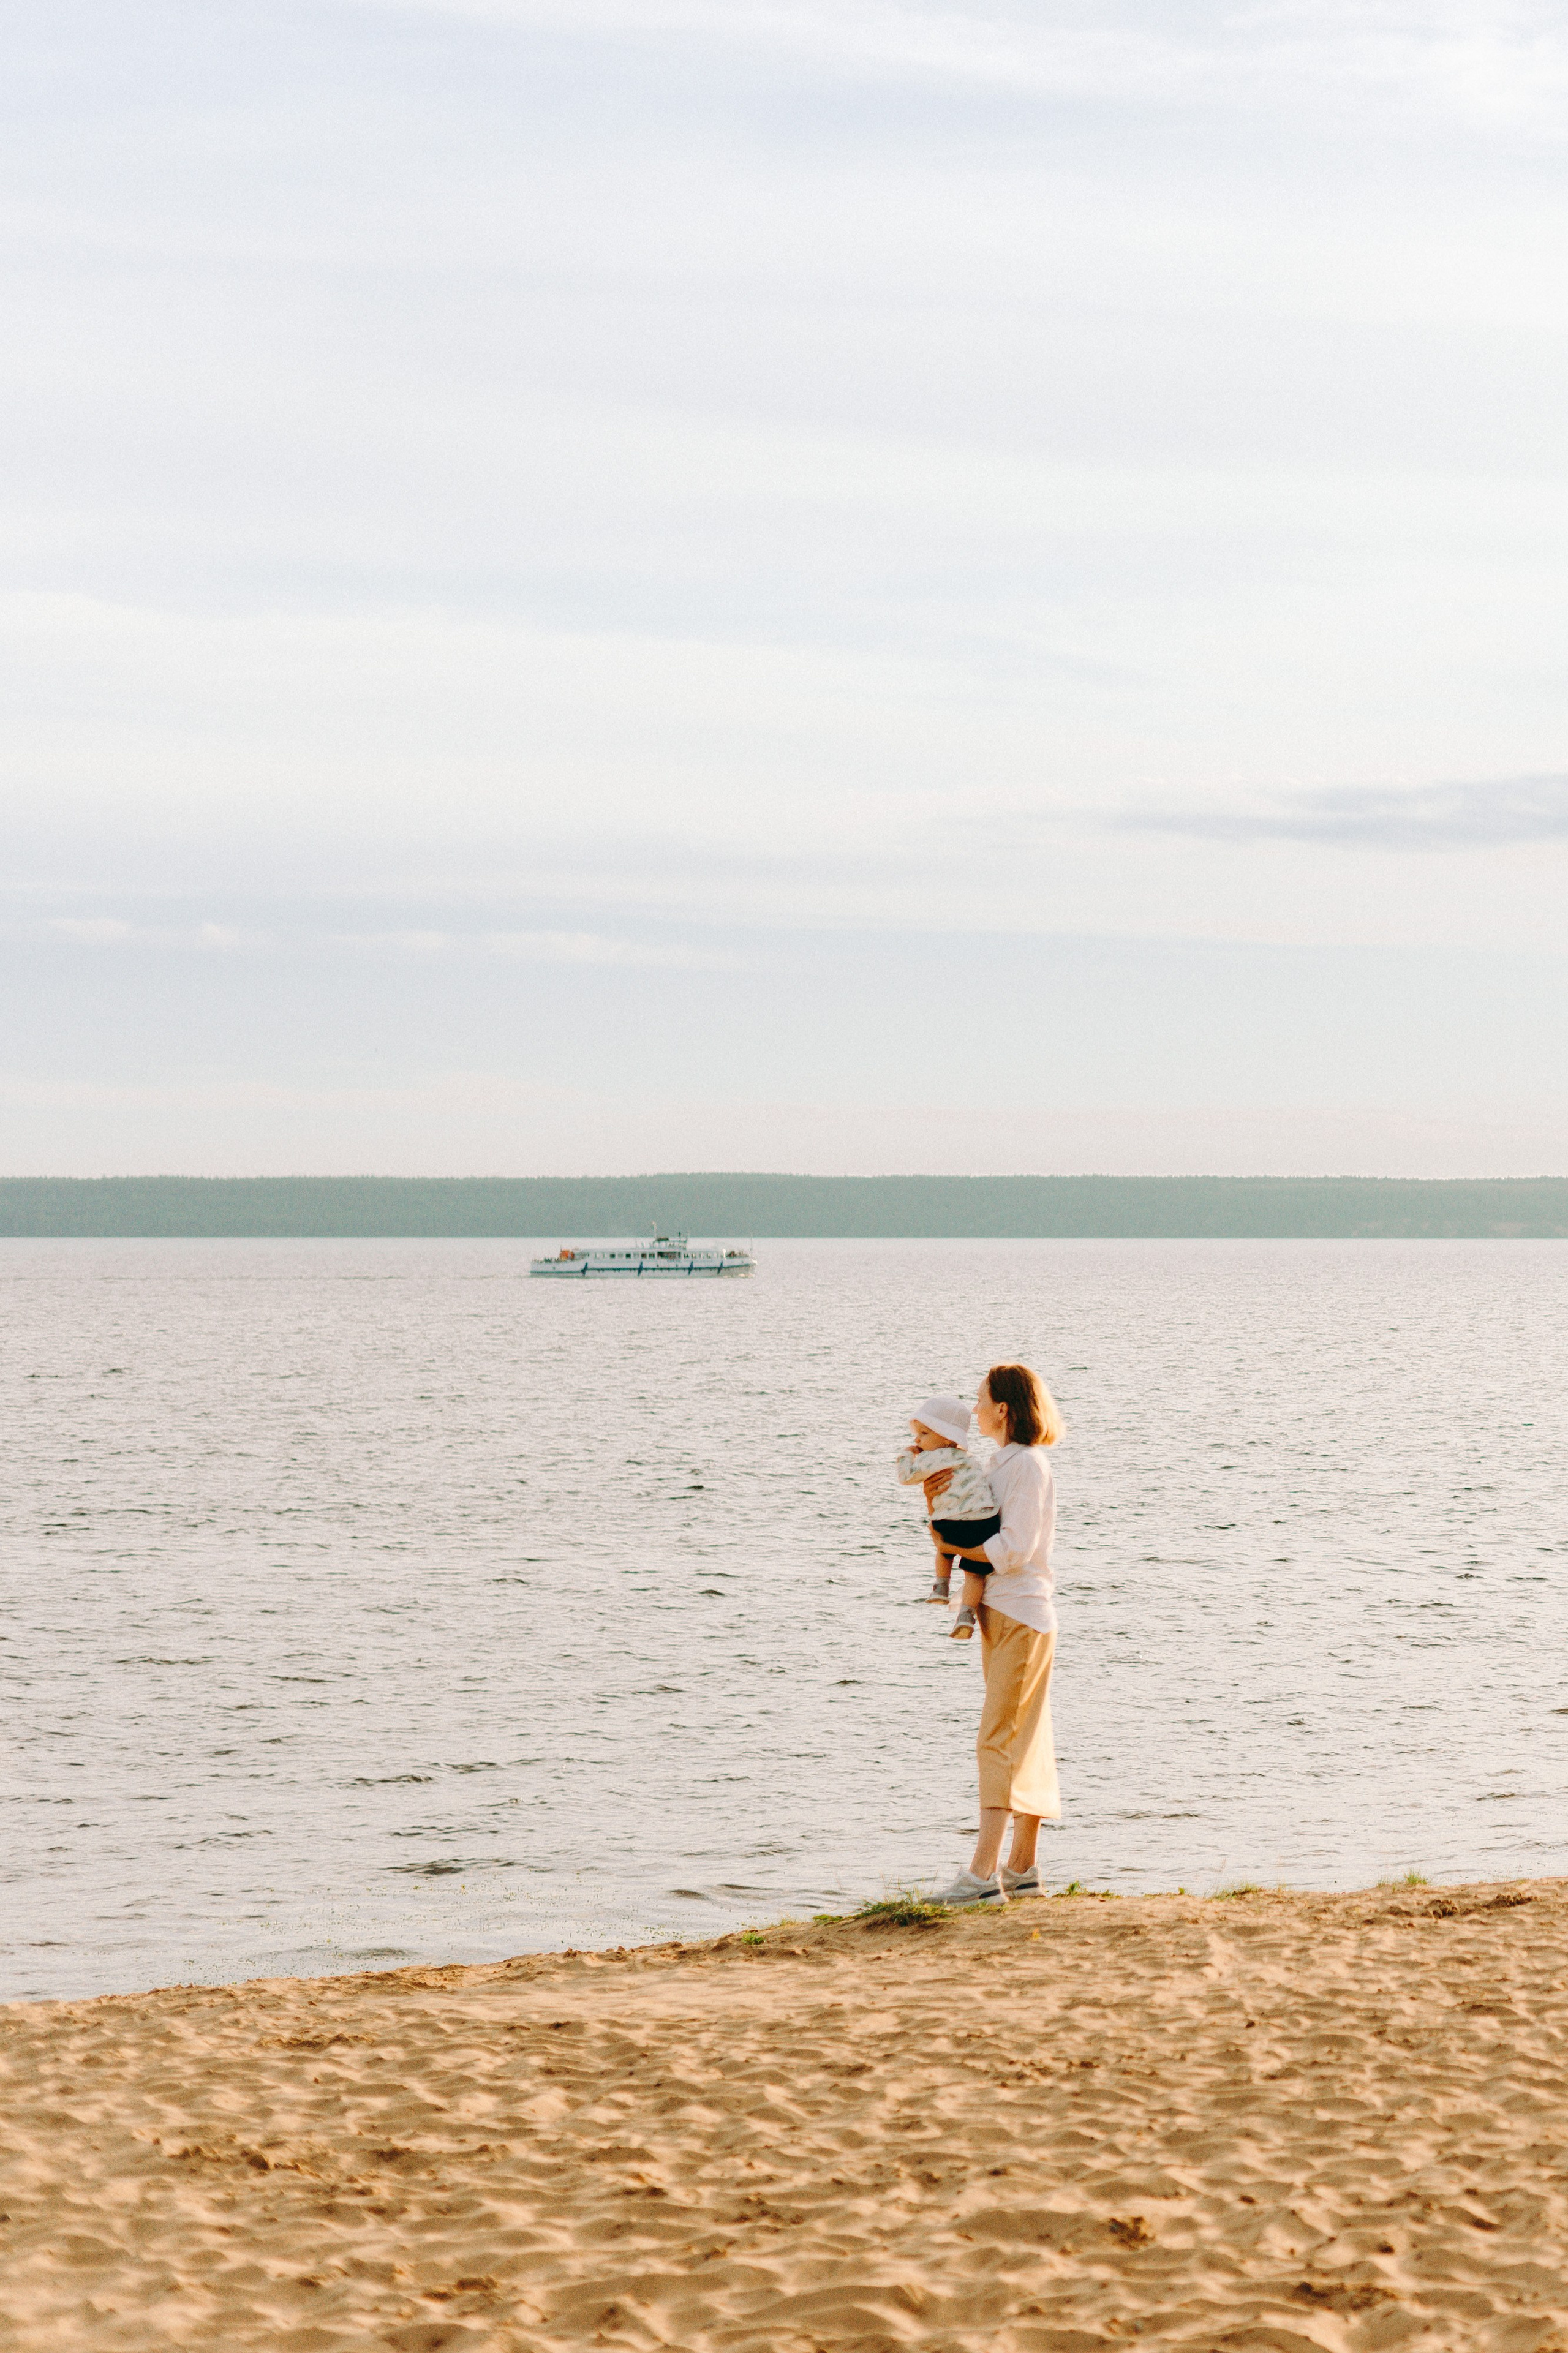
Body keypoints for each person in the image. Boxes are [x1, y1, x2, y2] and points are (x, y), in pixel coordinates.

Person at [919, 1363, 1063, 1907]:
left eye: (981, 1401)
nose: (974, 1410)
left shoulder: (1025, 1465)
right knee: (1023, 1738)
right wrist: (943, 1519)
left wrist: (954, 1546)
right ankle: (1022, 1870)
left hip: (1021, 1614)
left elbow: (1014, 1549)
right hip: (1008, 1615)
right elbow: (978, 1528)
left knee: (997, 1739)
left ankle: (982, 1878)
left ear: (1003, 1409)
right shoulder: (1001, 1464)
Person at [895, 1395, 1001, 1637]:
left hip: (953, 1522)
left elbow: (906, 1477)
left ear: (945, 1437)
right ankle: (966, 1616)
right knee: (975, 1574)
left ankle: (941, 1588)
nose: (917, 1439)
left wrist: (906, 1454)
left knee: (944, 1548)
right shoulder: (969, 1459)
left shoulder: (932, 1458)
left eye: (924, 1434)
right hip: (985, 1523)